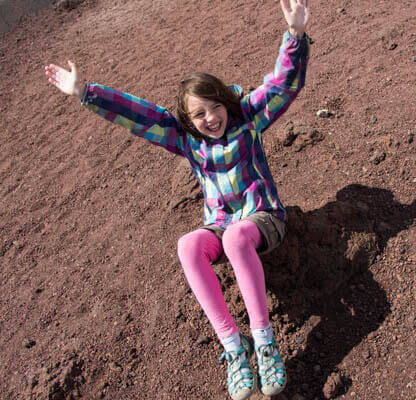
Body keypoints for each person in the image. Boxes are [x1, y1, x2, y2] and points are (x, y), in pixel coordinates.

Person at [44, 0, 310, 398]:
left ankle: (265, 342)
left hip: (262, 217)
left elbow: (282, 83)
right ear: (188, 121)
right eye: (199, 114)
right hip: (220, 224)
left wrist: (295, 36)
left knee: (237, 237)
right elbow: (141, 115)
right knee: (188, 245)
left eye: (216, 106)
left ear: (226, 103)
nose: (211, 118)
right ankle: (234, 350)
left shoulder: (249, 119)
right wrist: (86, 92)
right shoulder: (186, 140)